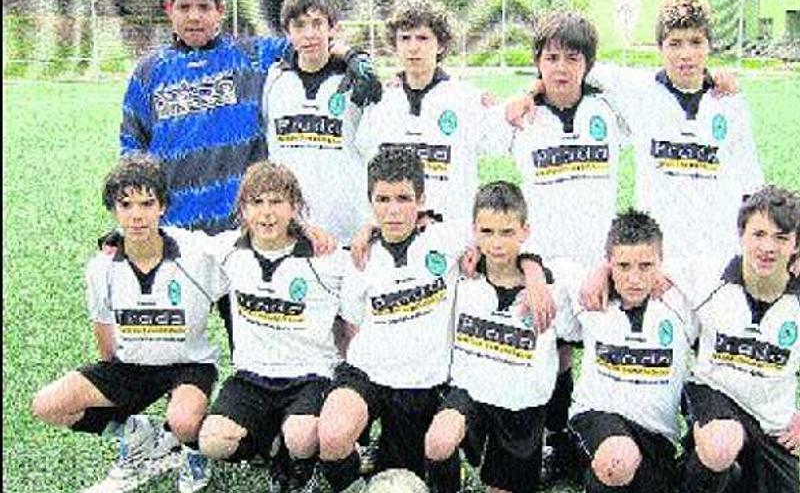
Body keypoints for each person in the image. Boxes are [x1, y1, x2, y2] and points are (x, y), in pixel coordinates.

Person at [316, 152, 552, 492]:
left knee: (418, 464)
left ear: (421, 200)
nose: (393, 210)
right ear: (370, 202)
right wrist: (367, 231)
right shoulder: (359, 257)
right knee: (333, 433)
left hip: (422, 386)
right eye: (382, 199)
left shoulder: (446, 238)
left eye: (403, 198)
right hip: (369, 374)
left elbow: (508, 235)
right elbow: (352, 324)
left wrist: (534, 273)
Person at [31, 154, 227, 493]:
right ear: (113, 209)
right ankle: (142, 434)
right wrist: (116, 388)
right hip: (133, 365)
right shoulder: (101, 268)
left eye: (147, 203)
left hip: (189, 365)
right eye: (126, 204)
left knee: (184, 421)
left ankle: (191, 450)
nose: (136, 214)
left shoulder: (196, 252)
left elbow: (250, 245)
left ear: (162, 206)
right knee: (48, 405)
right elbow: (104, 331)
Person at [483, 11, 624, 483]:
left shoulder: (609, 108)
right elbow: (481, 140)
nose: (561, 67)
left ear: (588, 63)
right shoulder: (524, 116)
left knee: (607, 348)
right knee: (554, 352)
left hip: (601, 260)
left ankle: (597, 441)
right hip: (544, 262)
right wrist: (523, 95)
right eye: (551, 58)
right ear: (537, 63)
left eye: (572, 57)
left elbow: (654, 82)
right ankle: (554, 441)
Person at [121, 0, 380, 235]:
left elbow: (309, 41)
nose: (194, 17)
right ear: (169, 10)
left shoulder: (254, 55)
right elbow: (132, 151)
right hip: (175, 229)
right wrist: (129, 224)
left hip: (246, 229)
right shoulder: (148, 72)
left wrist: (353, 56)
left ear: (220, 11)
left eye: (203, 7)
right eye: (184, 7)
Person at [681, 185, 800, 493]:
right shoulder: (705, 276)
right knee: (720, 445)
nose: (768, 247)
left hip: (771, 420)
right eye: (759, 234)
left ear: (797, 245)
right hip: (713, 394)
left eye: (781, 238)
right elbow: (647, 275)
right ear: (741, 234)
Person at [196, 161, 347, 492]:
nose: (267, 213)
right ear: (243, 209)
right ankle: (269, 445)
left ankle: (299, 466)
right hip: (253, 375)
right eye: (257, 202)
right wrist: (120, 238)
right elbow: (175, 242)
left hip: (309, 375)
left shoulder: (324, 256)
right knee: (212, 441)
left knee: (302, 436)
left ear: (294, 207)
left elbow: (367, 269)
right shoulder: (228, 249)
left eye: (276, 202)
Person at [423, 181, 572, 493]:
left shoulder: (551, 289)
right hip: (471, 395)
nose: (497, 243)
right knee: (438, 440)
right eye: (487, 232)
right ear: (474, 231)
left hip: (521, 409)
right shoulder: (461, 276)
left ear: (525, 232)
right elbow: (414, 226)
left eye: (507, 232)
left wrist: (534, 270)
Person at [559, 209, 696, 493]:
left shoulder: (684, 303)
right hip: (596, 418)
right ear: (608, 263)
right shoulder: (589, 295)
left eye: (645, 266)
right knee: (618, 460)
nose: (634, 278)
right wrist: (596, 274)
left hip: (657, 436)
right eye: (623, 266)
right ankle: (585, 462)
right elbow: (548, 266)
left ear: (661, 263)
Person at [354, 0, 490, 223]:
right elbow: (369, 171)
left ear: (441, 44)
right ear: (395, 44)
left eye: (423, 38)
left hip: (450, 235)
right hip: (393, 236)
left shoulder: (468, 99)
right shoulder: (380, 101)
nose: (413, 47)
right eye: (405, 38)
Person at [263, 0, 381, 245]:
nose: (309, 34)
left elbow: (377, 150)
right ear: (287, 32)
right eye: (299, 25)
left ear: (333, 28)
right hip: (292, 229)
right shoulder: (274, 81)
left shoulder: (353, 81)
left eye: (318, 24)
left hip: (349, 230)